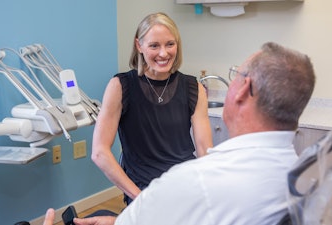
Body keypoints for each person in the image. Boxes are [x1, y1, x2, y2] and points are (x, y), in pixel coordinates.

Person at [43, 42, 316, 225]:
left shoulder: (195, 181)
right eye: (154, 45)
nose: (163, 53)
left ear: (243, 90)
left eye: (235, 74)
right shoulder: (305, 175)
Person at [91, 12, 213, 205]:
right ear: (139, 45)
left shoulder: (193, 88)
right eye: (154, 45)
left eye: (170, 44)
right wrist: (140, 198)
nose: (163, 53)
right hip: (143, 189)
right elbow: (99, 153)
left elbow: (205, 150)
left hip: (184, 186)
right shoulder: (120, 86)